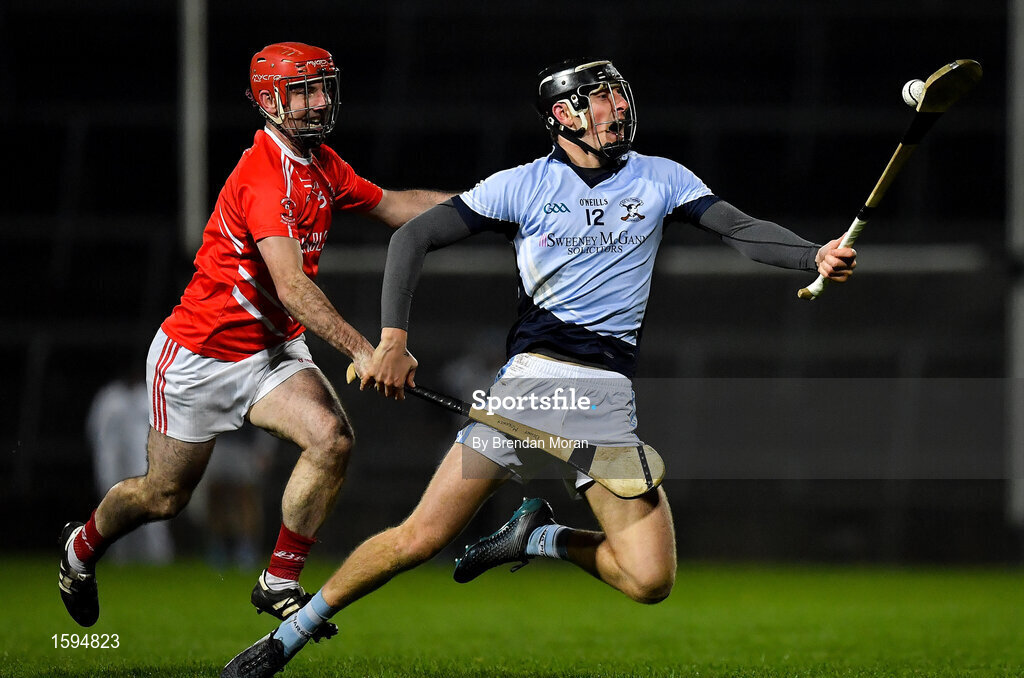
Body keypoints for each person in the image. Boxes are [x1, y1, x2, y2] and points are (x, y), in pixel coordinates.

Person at [220, 57, 856, 677]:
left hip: (604, 397)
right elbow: (411, 237)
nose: (618, 108)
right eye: (601, 98)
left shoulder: (660, 178)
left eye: (620, 96)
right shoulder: (520, 185)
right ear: (563, 114)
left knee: (650, 580)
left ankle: (539, 537)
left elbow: (741, 229)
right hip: (534, 387)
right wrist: (390, 340)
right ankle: (288, 637)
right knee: (420, 537)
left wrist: (813, 255)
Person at [58, 42, 452, 631]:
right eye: (305, 91)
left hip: (269, 353)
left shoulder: (320, 165)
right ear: (270, 100)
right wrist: (365, 352)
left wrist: (492, 208)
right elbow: (292, 287)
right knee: (164, 498)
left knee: (332, 439)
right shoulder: (265, 177)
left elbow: (396, 205)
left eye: (324, 88)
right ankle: (80, 550)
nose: (321, 102)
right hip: (199, 356)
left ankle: (278, 580)